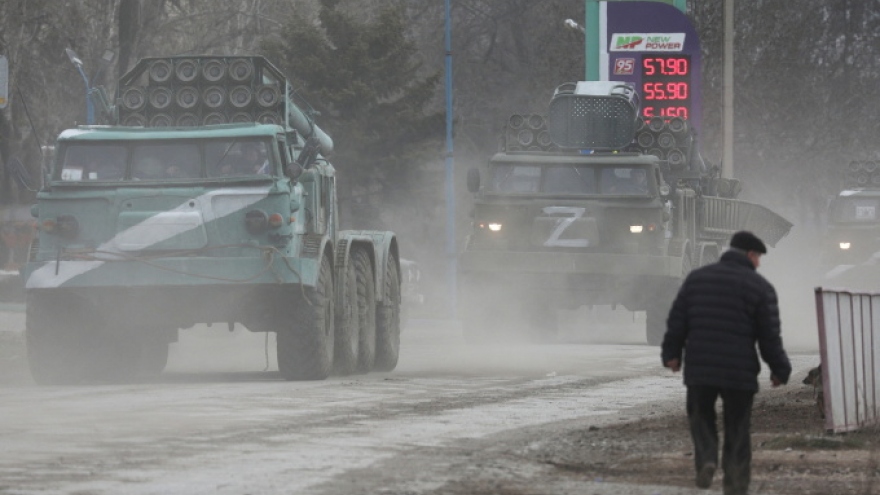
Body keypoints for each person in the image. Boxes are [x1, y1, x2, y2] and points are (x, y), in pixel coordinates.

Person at [661, 231, 791, 495]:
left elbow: (677, 321)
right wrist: (780, 370)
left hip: (700, 369)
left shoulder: (697, 279)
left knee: (701, 418)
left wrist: (671, 354)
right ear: (751, 255)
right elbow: (769, 336)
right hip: (739, 373)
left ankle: (707, 458)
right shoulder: (760, 287)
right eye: (759, 259)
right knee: (738, 428)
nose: (759, 265)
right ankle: (735, 484)